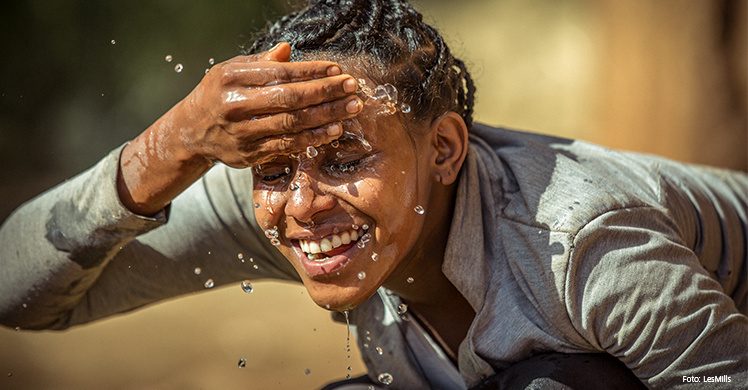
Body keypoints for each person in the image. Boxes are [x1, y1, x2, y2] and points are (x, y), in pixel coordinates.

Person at [0, 0, 746, 389]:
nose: (303, 206)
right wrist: (169, 147)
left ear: (444, 150)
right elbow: (16, 293)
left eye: (345, 158)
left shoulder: (582, 242)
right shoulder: (285, 202)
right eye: (273, 170)